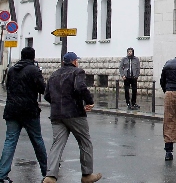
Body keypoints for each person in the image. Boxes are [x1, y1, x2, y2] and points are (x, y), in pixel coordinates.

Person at [43, 52, 101, 183]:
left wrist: (57, 103)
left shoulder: (54, 75)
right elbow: (80, 87)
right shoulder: (77, 72)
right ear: (74, 62)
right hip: (74, 113)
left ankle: (50, 176)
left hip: (56, 114)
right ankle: (87, 175)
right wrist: (89, 101)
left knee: (57, 144)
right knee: (85, 142)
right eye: (77, 61)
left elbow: (47, 95)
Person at [0, 47, 47, 182]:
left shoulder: (11, 70)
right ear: (33, 57)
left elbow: (9, 87)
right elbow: (42, 89)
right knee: (37, 140)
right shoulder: (33, 70)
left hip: (12, 109)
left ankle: (2, 174)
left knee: (10, 141)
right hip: (29, 110)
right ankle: (47, 171)